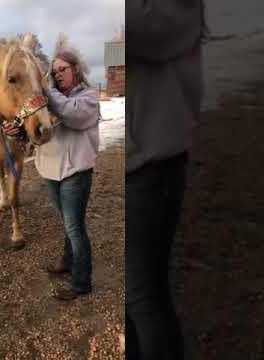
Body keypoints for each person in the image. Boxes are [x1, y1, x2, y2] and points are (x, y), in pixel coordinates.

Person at [125, 1, 207, 359]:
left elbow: (142, 29)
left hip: (152, 166)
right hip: (136, 161)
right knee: (132, 297)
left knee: (145, 298)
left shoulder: (170, 8)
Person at [3, 39, 100, 301]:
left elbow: (73, 115)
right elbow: (37, 134)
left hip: (75, 174)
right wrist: (17, 132)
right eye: (54, 71)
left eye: (62, 69)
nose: (57, 75)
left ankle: (82, 282)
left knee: (75, 228)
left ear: (76, 69)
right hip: (51, 174)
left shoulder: (86, 97)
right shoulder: (49, 102)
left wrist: (44, 89)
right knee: (68, 225)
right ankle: (68, 263)